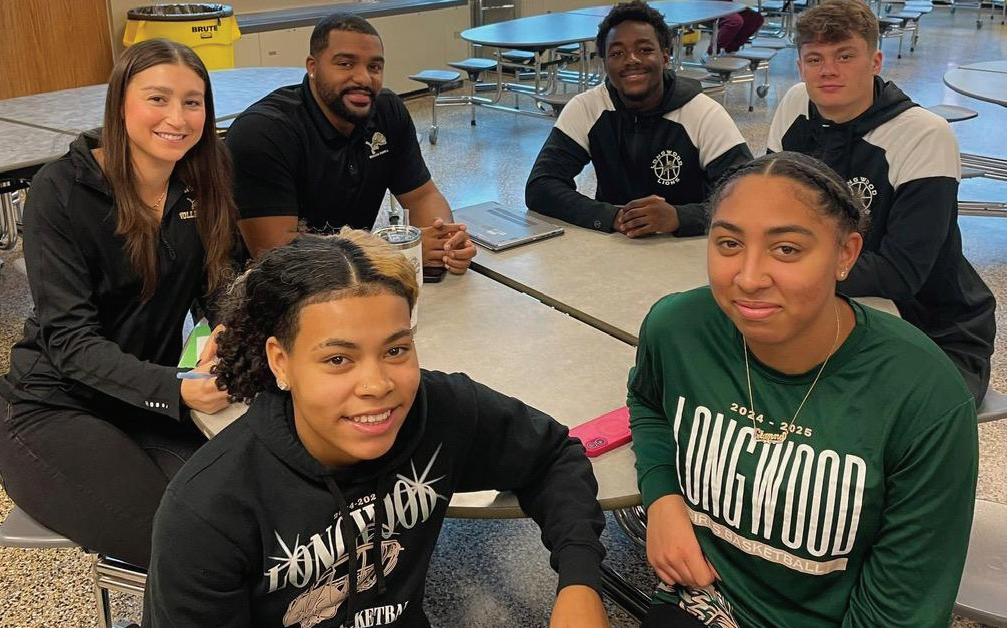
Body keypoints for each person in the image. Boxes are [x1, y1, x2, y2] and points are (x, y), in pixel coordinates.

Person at [142, 231, 609, 628]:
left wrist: (580, 585)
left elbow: (552, 456)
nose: (377, 385)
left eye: (396, 350)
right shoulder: (209, 509)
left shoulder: (440, 412)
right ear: (281, 362)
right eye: (337, 359)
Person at [629, 151, 978, 627]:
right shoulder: (677, 329)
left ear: (846, 255)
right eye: (729, 243)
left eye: (787, 249)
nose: (749, 278)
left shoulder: (922, 395)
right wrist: (663, 498)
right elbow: (648, 401)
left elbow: (901, 609)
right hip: (703, 602)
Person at [0, 39, 235, 568]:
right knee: (187, 548)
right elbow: (70, 342)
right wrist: (177, 388)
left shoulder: (204, 174)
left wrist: (226, 330)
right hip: (53, 406)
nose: (177, 118)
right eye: (158, 98)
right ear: (119, 103)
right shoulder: (61, 190)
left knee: (241, 514)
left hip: (140, 397)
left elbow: (222, 280)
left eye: (193, 102)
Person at [767, 0, 995, 402]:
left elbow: (900, 273)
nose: (828, 70)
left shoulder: (923, 135)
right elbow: (768, 209)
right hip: (824, 307)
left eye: (845, 56)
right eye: (815, 59)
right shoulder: (796, 105)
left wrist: (791, 269)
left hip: (929, 327)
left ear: (875, 62)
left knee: (865, 418)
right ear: (800, 66)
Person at [224, 13, 476, 275]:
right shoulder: (263, 132)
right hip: (264, 286)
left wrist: (445, 242)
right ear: (313, 67)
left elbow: (422, 196)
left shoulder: (387, 112)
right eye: (345, 64)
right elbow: (275, 254)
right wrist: (394, 252)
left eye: (374, 67)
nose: (363, 78)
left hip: (357, 277)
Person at [525, 1, 752, 238]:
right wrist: (613, 216)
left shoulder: (703, 113)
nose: (631, 59)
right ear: (605, 64)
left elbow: (747, 198)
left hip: (691, 246)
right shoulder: (587, 108)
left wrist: (679, 217)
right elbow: (540, 186)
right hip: (614, 244)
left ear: (665, 57)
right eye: (617, 53)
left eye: (644, 50)